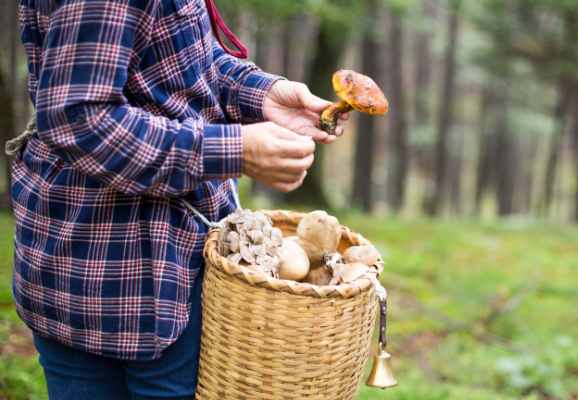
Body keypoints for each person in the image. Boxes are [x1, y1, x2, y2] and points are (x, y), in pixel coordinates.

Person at [11, 0, 347, 398]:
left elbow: (176, 61)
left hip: (162, 261)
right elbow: (79, 118)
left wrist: (262, 94)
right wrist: (233, 149)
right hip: (127, 273)